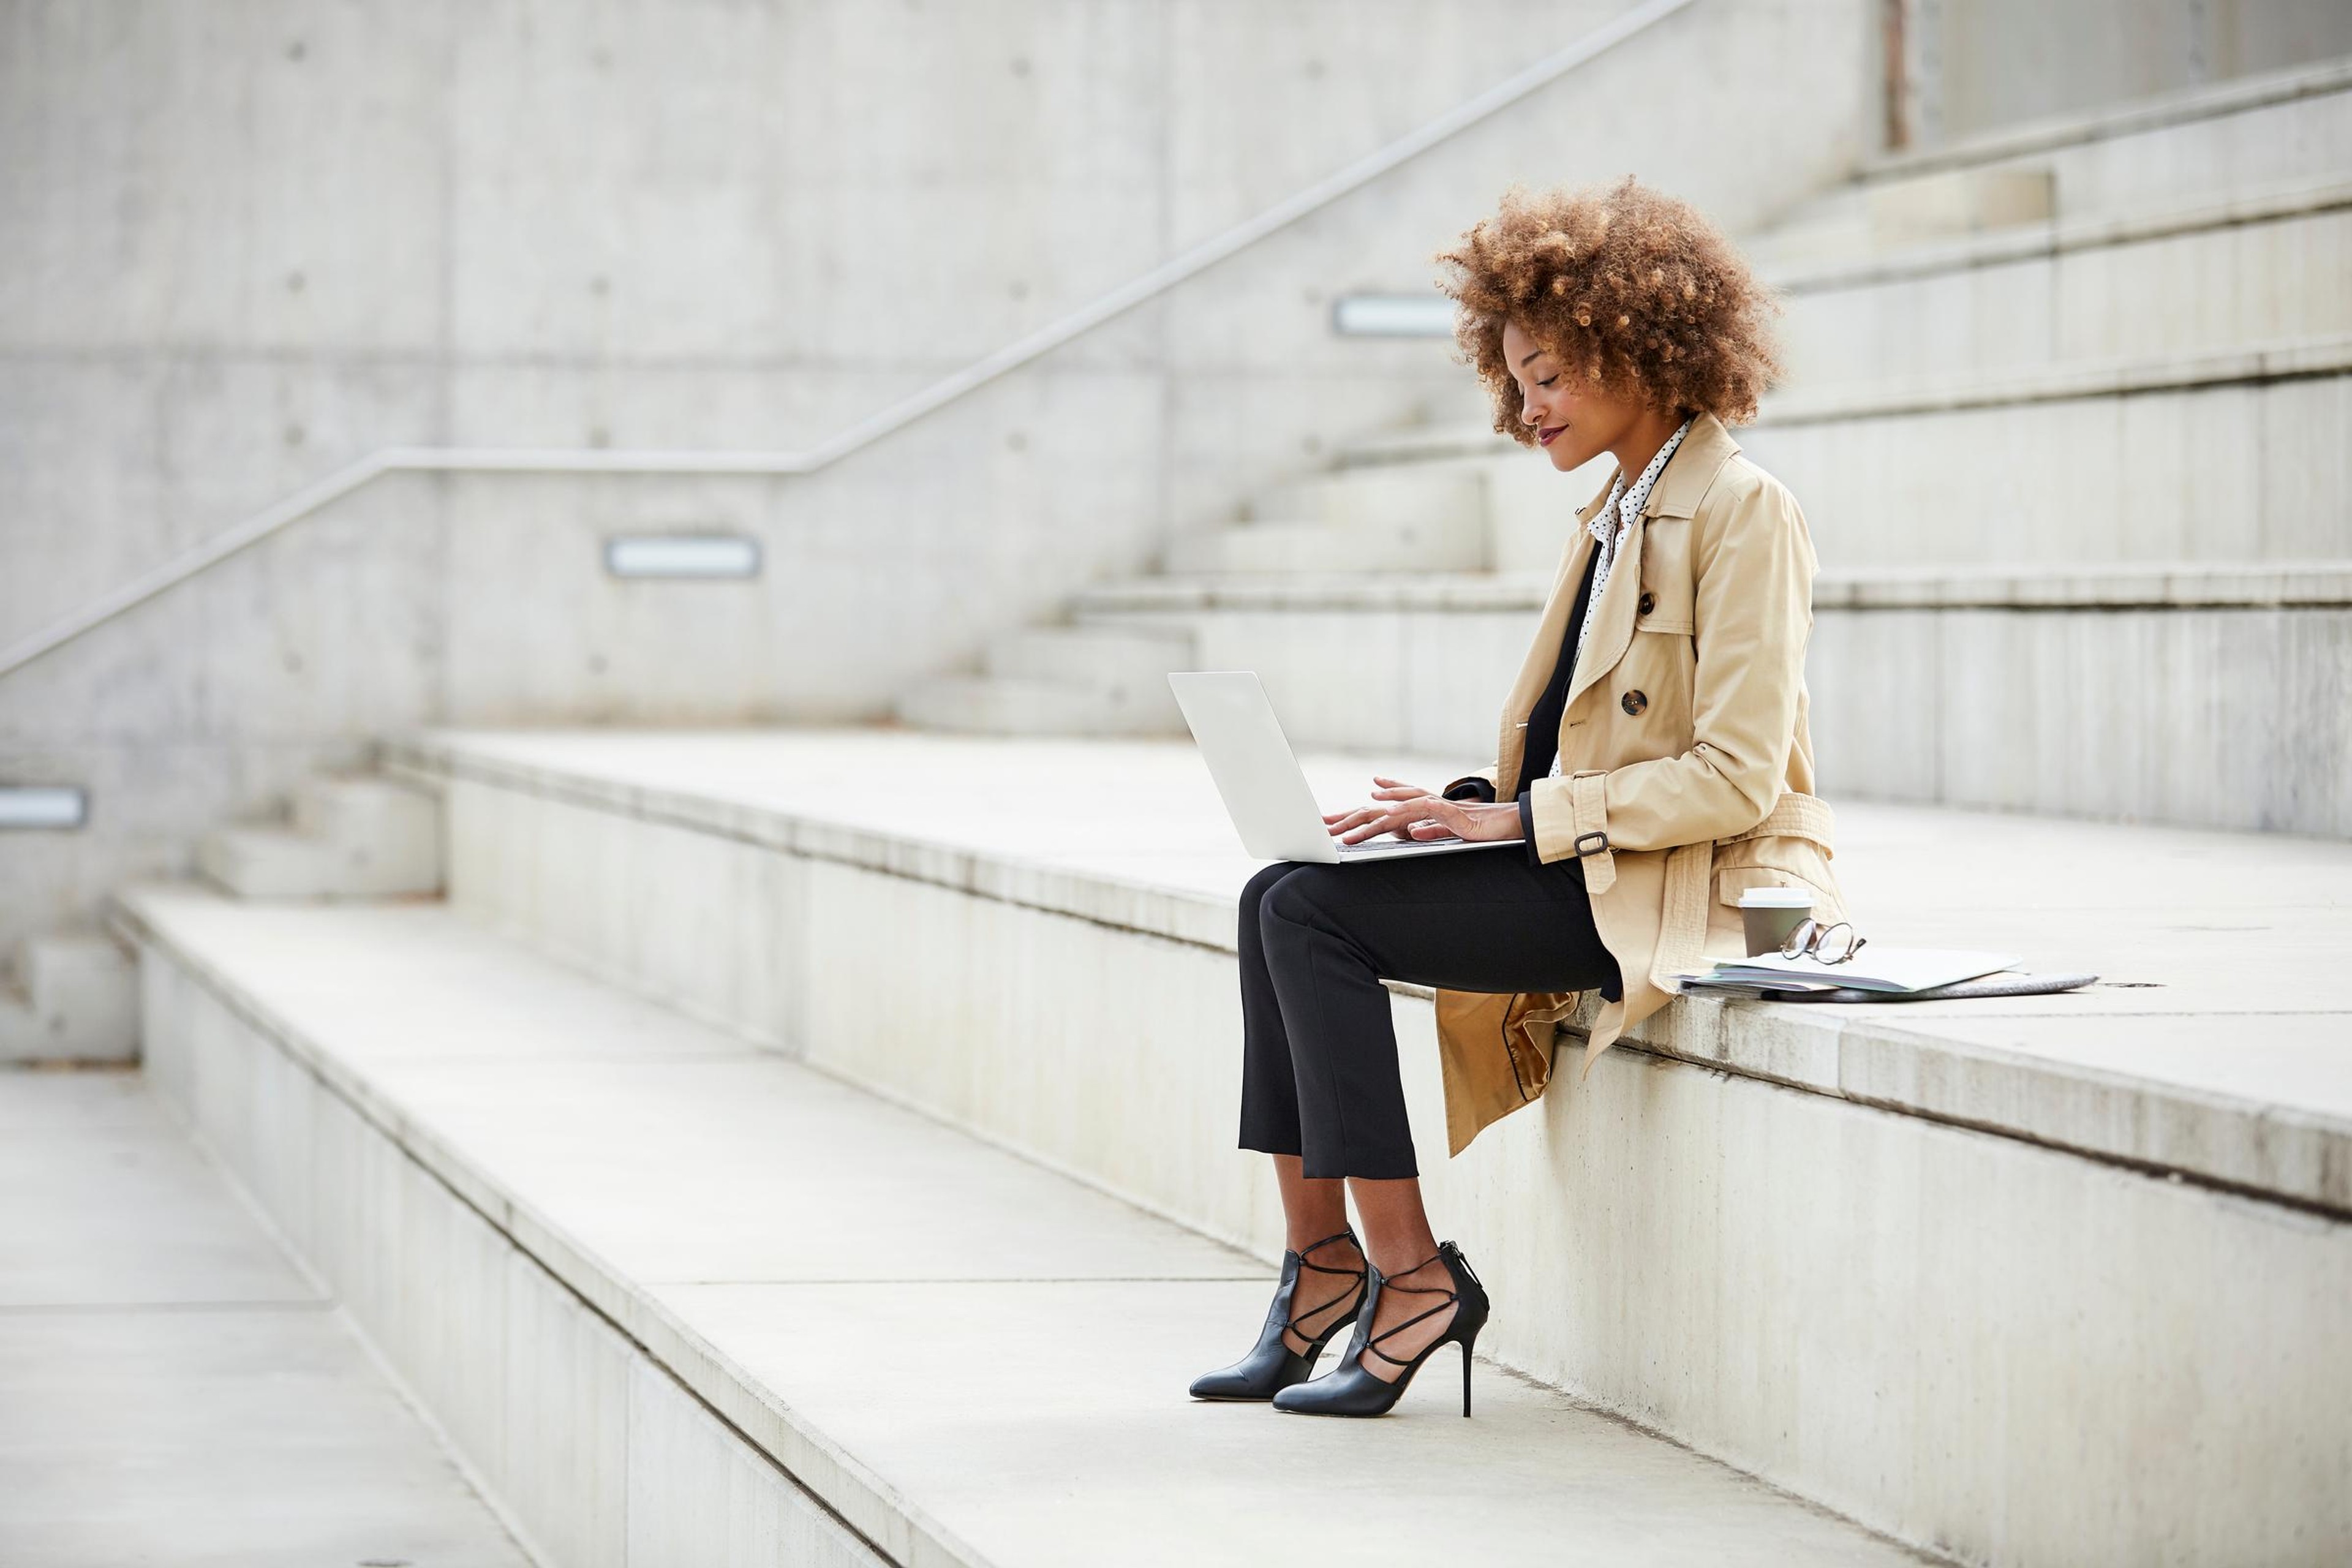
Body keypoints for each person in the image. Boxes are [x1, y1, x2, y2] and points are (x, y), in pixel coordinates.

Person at [1188, 178, 1847, 1419]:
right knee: (1276, 888)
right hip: (1578, 861)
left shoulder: (1745, 511)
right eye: (1516, 381)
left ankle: (1411, 1280)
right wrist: (1464, 809)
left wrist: (1518, 822)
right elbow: (1575, 742)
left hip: (1669, 891)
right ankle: (1321, 1266)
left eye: (1547, 375)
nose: (1527, 407)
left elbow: (1736, 775)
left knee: (1307, 917)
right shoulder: (1610, 515)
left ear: (1638, 348)